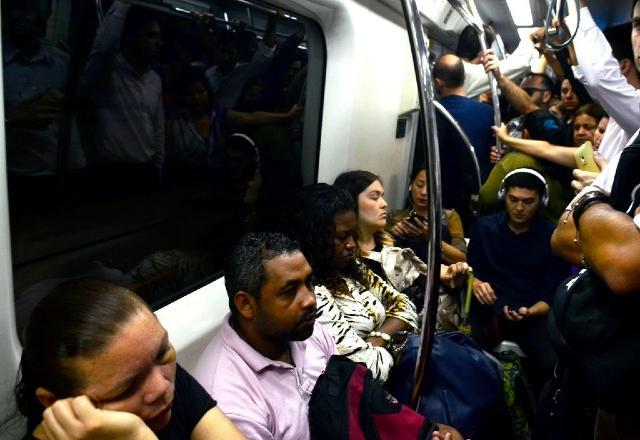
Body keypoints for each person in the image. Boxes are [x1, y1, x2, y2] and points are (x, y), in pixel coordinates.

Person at [10, 279, 244, 439]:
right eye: (126, 388)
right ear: (53, 402)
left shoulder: (157, 373)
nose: (162, 388)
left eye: (163, 353)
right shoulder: (154, 377)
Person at [193, 232, 335, 440]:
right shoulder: (230, 403)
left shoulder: (301, 330)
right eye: (289, 291)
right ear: (246, 304)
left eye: (309, 282)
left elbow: (345, 392)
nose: (310, 300)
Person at [287, 183, 418, 383]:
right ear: (315, 239)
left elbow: (406, 306)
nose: (352, 244)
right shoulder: (311, 294)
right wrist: (394, 335)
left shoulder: (350, 267)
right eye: (341, 237)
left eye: (353, 235)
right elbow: (364, 372)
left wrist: (378, 338)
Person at [468, 168, 570, 395]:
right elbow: (472, 271)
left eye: (528, 201)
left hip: (534, 313)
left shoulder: (552, 236)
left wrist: (534, 310)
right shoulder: (484, 228)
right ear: (504, 197)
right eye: (513, 200)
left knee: (552, 365)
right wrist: (475, 283)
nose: (519, 208)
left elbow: (553, 287)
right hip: (490, 310)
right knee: (469, 356)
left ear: (540, 201)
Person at [334, 170, 469, 325]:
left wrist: (448, 275)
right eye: (374, 197)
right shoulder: (345, 257)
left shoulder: (393, 249)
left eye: (382, 196)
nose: (384, 204)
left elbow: (428, 275)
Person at [387, 167, 467, 265]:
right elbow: (379, 251)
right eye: (419, 185)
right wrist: (392, 234)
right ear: (411, 185)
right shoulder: (394, 216)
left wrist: (432, 237)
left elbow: (461, 259)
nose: (424, 192)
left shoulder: (449, 217)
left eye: (431, 187)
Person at [434, 54, 494, 181]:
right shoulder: (488, 112)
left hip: (440, 186)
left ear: (438, 83)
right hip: (476, 188)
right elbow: (493, 155)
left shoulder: (432, 113)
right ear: (463, 78)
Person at [492, 103, 604, 170]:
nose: (580, 132)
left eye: (588, 127)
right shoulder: (577, 152)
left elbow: (545, 149)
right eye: (576, 127)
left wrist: (506, 139)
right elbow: (546, 148)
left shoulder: (602, 155)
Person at [455, 24, 536, 99]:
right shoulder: (469, 73)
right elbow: (521, 63)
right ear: (483, 52)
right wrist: (530, 38)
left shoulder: (452, 65)